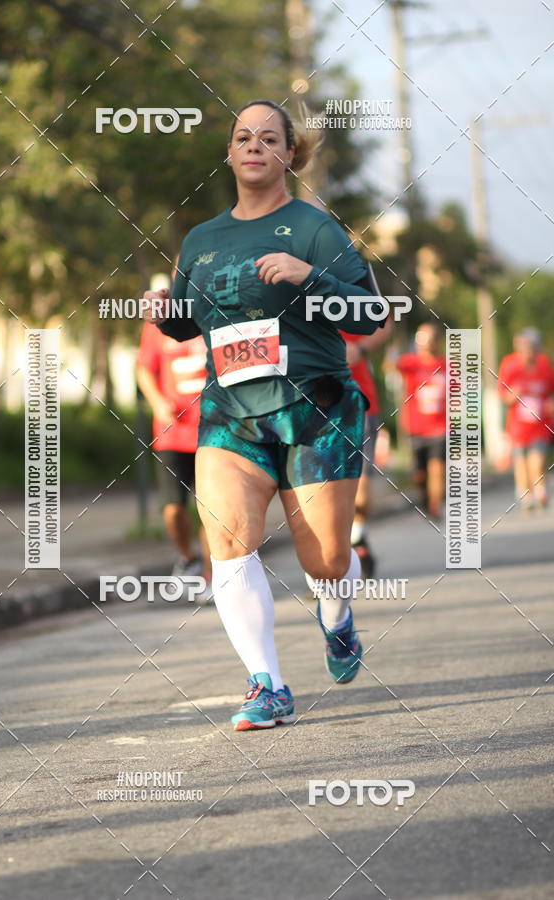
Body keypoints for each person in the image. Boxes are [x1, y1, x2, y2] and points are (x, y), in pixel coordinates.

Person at [143, 99, 386, 731]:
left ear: (288, 155)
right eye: (243, 137)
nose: (254, 145)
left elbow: (372, 316)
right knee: (226, 539)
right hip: (232, 413)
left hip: (315, 410)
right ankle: (267, 683)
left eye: (269, 137)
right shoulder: (201, 240)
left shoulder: (315, 230)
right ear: (228, 153)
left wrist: (309, 277)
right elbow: (185, 324)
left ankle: (336, 616)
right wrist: (161, 311)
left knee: (326, 561)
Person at [136, 320, 212, 590]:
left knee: (211, 510)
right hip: (172, 432)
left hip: (213, 430)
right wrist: (157, 403)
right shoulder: (159, 320)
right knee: (172, 509)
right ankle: (189, 557)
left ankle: (209, 575)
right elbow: (144, 369)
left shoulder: (212, 309)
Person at [341, 317, 393, 577]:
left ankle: (356, 539)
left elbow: (385, 322)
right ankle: (332, 559)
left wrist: (360, 349)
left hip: (358, 404)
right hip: (312, 407)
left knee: (359, 487)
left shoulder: (347, 280)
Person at [498, 328, 554, 510]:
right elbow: (502, 395)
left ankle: (540, 490)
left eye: (532, 348)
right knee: (521, 463)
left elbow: (551, 392)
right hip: (517, 426)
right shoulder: (510, 365)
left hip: (540, 424)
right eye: (525, 348)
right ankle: (527, 495)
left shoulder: (544, 365)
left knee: (536, 460)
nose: (529, 352)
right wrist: (512, 395)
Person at [395, 324, 447, 519]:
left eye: (431, 339)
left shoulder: (447, 365)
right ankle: (425, 498)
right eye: (423, 340)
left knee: (437, 468)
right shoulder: (410, 363)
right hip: (416, 426)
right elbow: (390, 365)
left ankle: (435, 506)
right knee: (419, 474)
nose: (427, 344)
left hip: (440, 426)